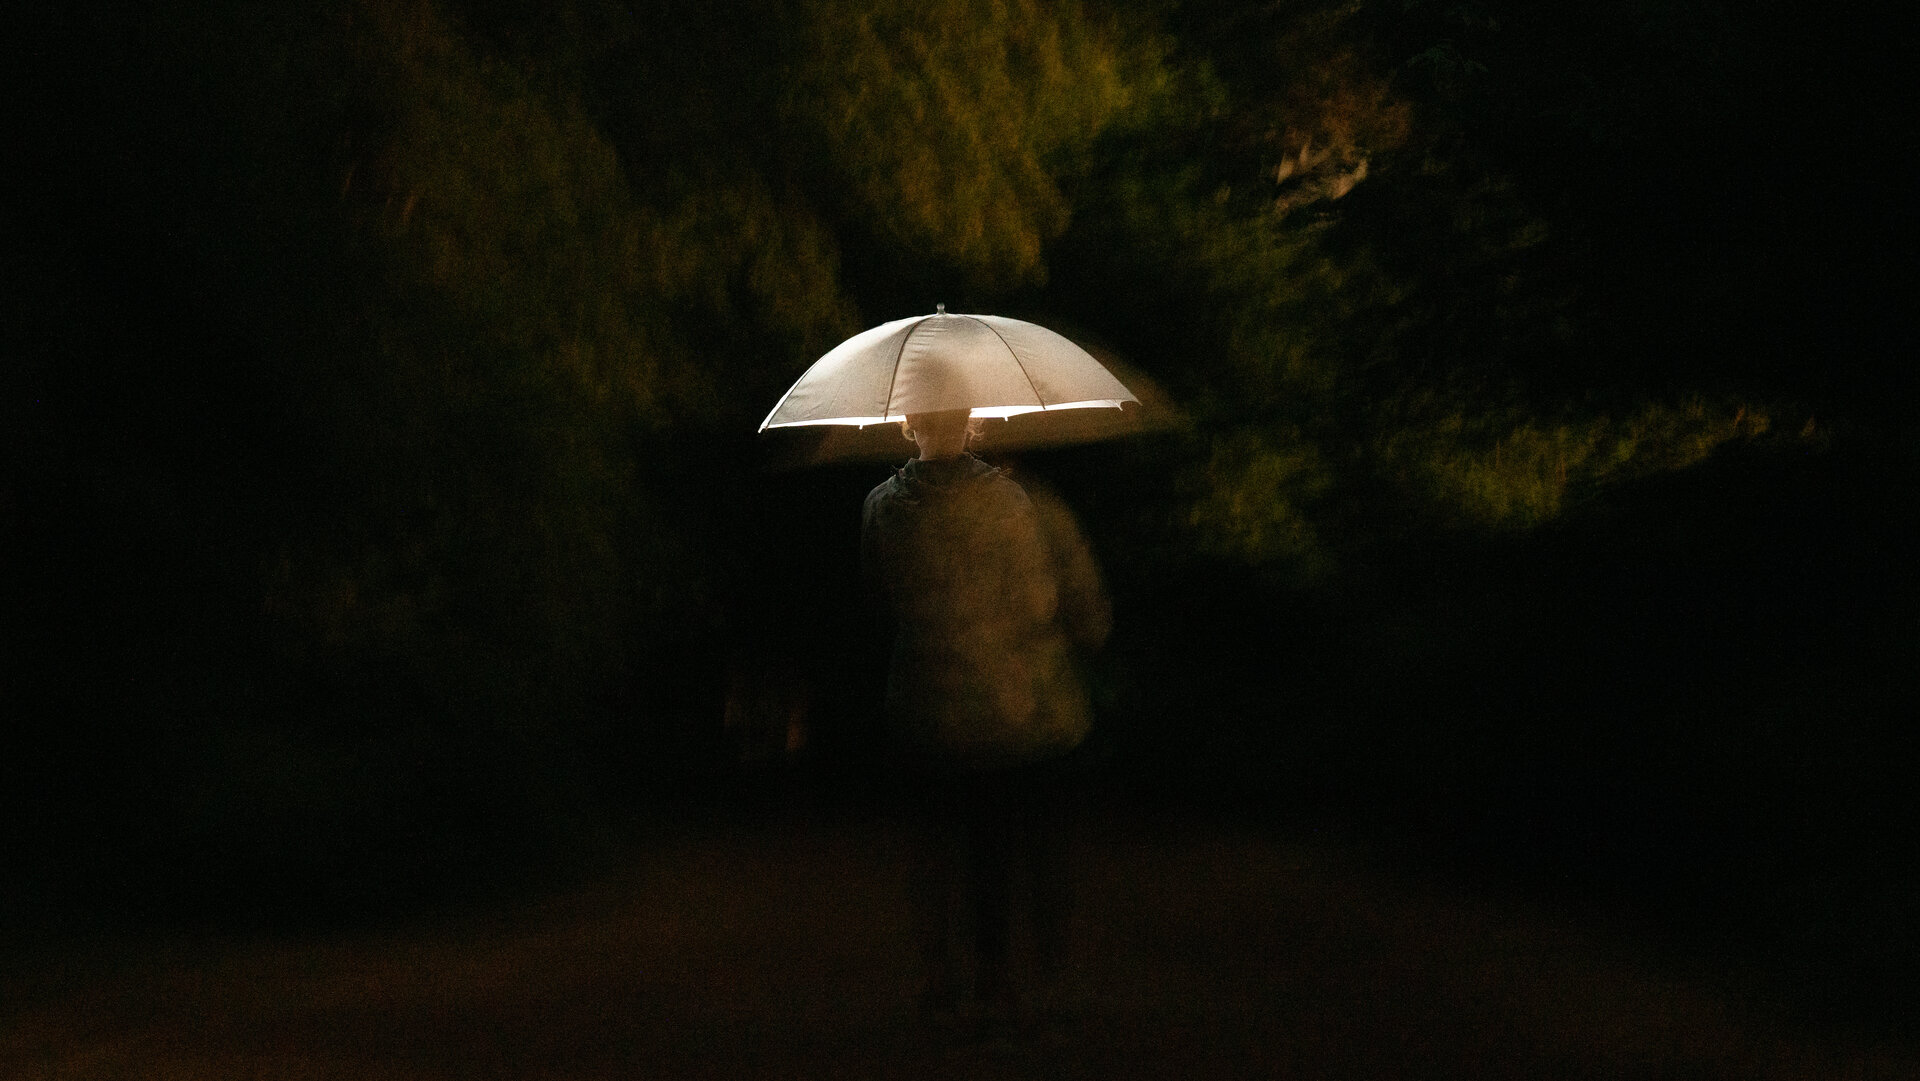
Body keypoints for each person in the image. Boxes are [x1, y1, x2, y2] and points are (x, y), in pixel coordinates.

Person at [860, 409, 1110, 1034]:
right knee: (991, 841)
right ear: (970, 421)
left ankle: (936, 975)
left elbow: (877, 594)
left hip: (920, 699)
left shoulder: (881, 507)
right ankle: (998, 978)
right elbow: (1039, 602)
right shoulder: (1014, 504)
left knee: (932, 845)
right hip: (1002, 700)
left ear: (908, 423)